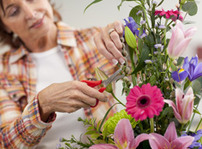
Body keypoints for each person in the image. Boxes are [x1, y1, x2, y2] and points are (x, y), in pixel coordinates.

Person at [0, 0, 125, 148]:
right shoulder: (4, 70)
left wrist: (129, 40)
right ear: (4, 26)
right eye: (14, 11)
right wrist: (43, 105)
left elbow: (148, 74)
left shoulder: (95, 40)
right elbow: (6, 143)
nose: (30, 13)